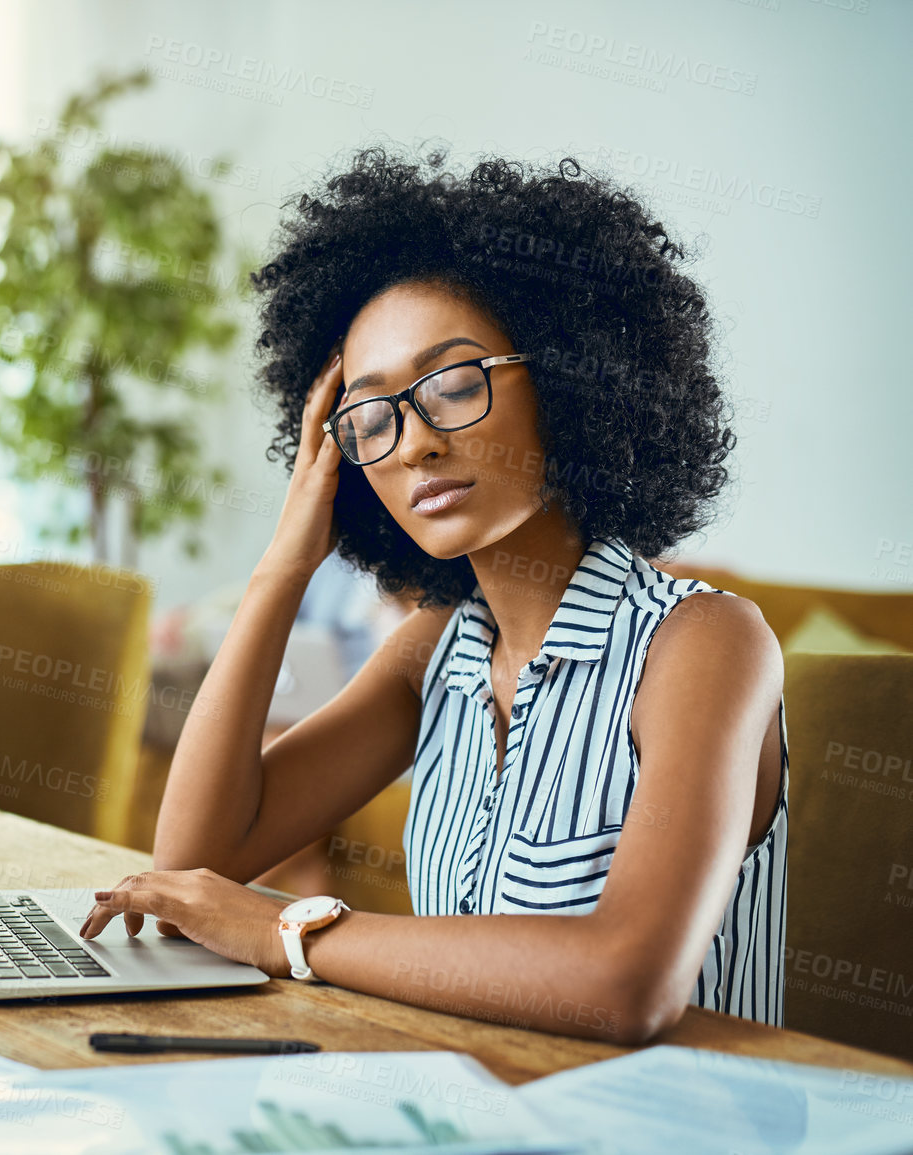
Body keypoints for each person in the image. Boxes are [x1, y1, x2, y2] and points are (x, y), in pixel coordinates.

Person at [81, 150, 787, 1043]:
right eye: (369, 417)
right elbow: (195, 867)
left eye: (451, 386)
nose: (411, 443)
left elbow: (625, 981)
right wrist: (286, 562)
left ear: (574, 378)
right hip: (469, 1105)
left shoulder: (702, 642)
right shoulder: (436, 649)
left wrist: (285, 930)